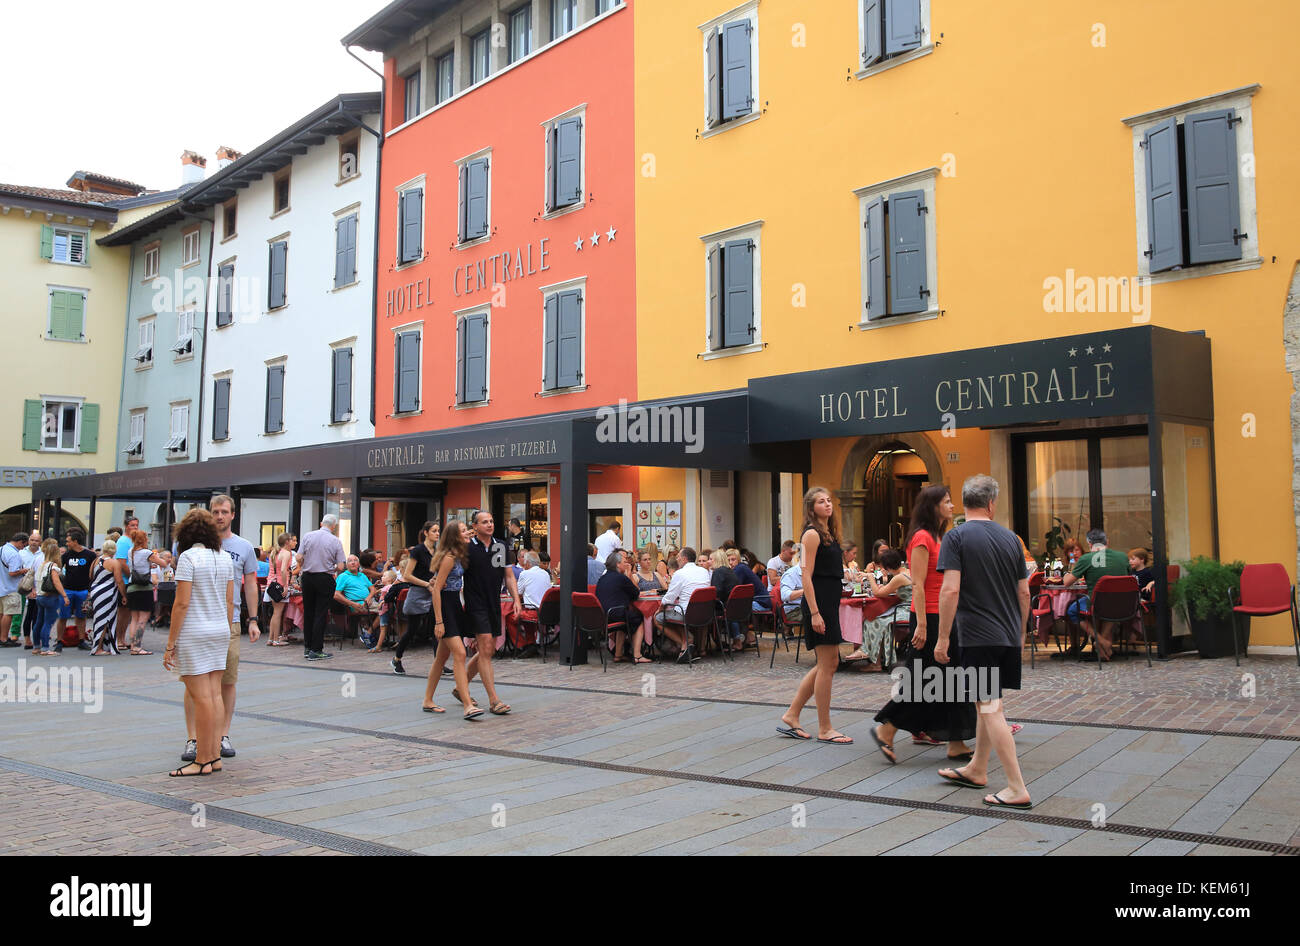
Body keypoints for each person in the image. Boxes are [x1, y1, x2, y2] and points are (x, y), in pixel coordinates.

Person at [934, 475, 1033, 810]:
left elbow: (949, 590)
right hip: (1006, 635)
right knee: (986, 703)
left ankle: (1016, 786)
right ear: (992, 504)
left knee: (991, 708)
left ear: (965, 503)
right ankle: (977, 768)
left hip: (977, 637)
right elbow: (1024, 592)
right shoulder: (1011, 539)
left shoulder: (956, 537)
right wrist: (1020, 633)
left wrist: (943, 637)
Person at [872, 485, 976, 764]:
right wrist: (920, 626)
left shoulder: (943, 536)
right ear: (932, 507)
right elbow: (917, 583)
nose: (952, 506)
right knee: (926, 679)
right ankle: (888, 729)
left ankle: (955, 741)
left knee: (947, 677)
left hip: (945, 613)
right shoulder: (922, 537)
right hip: (928, 616)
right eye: (947, 501)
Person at [177, 494, 260, 764]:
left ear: (233, 514)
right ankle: (194, 738)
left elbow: (249, 584)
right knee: (195, 684)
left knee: (226, 680)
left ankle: (221, 735)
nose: (220, 516)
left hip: (230, 623)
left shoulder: (243, 547)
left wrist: (253, 619)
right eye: (215, 511)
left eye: (225, 511)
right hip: (198, 623)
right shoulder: (193, 549)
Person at [164, 508, 236, 777]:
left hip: (195, 630)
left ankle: (202, 759)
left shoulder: (188, 558)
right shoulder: (224, 557)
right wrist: (226, 630)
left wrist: (171, 643)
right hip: (219, 628)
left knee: (201, 697)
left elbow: (181, 603)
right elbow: (230, 601)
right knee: (215, 695)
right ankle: (214, 755)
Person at [777, 487, 851, 745]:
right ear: (812, 507)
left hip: (828, 601)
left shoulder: (828, 534)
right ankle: (825, 727)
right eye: (821, 501)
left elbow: (827, 569)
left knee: (826, 664)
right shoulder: (811, 534)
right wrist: (816, 612)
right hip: (819, 603)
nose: (828, 504)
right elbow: (806, 574)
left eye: (829, 500)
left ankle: (792, 714)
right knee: (828, 664)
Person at [461, 511, 520, 715]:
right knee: (485, 645)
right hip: (475, 602)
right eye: (484, 522)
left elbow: (508, 576)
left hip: (494, 601)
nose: (489, 524)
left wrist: (516, 598)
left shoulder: (500, 546)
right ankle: (494, 700)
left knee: (488, 650)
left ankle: (461, 687)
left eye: (491, 521)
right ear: (474, 526)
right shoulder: (467, 546)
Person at [422, 520, 482, 719]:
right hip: (445, 606)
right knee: (459, 653)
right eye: (463, 531)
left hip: (454, 604)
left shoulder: (458, 555)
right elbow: (437, 590)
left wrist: (473, 534)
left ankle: (427, 700)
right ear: (455, 536)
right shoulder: (448, 558)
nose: (468, 533)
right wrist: (439, 621)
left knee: (441, 658)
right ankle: (467, 704)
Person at [1061, 528, 1131, 660]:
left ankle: (1100, 640)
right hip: (1123, 604)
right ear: (1107, 542)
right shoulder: (1123, 556)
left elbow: (1067, 582)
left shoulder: (1086, 559)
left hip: (1097, 604)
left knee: (1072, 610)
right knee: (1111, 607)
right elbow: (1128, 577)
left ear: (1089, 543)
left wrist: (1067, 573)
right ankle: (1104, 649)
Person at [845, 548, 912, 668]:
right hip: (908, 608)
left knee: (874, 619)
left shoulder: (899, 577)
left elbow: (877, 593)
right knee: (876, 618)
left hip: (906, 610)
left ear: (887, 567)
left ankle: (872, 658)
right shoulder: (907, 572)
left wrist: (871, 578)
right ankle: (876, 660)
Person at [392, 522, 439, 675]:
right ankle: (397, 658)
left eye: (438, 531)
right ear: (426, 533)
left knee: (436, 629)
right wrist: (427, 584)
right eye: (434, 531)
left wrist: (434, 581)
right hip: (418, 593)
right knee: (412, 630)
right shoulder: (418, 551)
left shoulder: (437, 551)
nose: (437, 534)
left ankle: (438, 664)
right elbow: (407, 575)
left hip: (432, 593)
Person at [298, 514, 345, 660]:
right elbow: (342, 566)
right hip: (324, 577)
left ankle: (307, 647)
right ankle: (316, 649)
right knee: (321, 613)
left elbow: (298, 557)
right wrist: (332, 568)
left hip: (307, 577)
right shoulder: (335, 541)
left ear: (321, 523)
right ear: (333, 526)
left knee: (309, 612)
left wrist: (305, 563)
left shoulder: (308, 536)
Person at [655, 547, 710, 663]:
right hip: (705, 614)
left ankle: (684, 643)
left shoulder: (680, 573)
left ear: (684, 559)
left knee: (658, 618)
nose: (677, 559)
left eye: (678, 556)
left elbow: (669, 598)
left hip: (687, 614)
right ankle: (687, 644)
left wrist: (659, 609)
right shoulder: (705, 572)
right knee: (676, 613)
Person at [594, 551, 643, 663]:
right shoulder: (621, 578)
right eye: (624, 562)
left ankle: (618, 655)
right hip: (616, 614)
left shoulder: (603, 578)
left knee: (624, 622)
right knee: (639, 618)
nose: (627, 564)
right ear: (617, 564)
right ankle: (638, 655)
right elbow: (636, 594)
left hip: (602, 616)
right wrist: (629, 575)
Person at [123, 530, 163, 654]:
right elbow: (162, 563)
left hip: (132, 586)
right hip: (144, 587)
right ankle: (137, 646)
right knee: (143, 618)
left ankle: (132, 645)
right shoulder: (147, 552)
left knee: (134, 618)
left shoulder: (131, 552)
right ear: (144, 539)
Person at [57, 529, 94, 652]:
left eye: (68, 541)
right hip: (68, 590)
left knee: (81, 616)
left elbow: (93, 573)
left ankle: (81, 640)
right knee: (63, 617)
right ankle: (59, 641)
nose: (66, 544)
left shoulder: (90, 555)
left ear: (75, 541)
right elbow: (57, 571)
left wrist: (90, 590)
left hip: (83, 590)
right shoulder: (66, 555)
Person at [89, 540, 128, 655]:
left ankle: (100, 645)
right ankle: (98, 648)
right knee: (106, 619)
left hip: (95, 590)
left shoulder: (95, 561)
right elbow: (119, 580)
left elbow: (90, 575)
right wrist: (124, 595)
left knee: (98, 618)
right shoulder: (114, 563)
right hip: (108, 591)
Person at [31, 539, 67, 656]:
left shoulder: (41, 564)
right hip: (50, 597)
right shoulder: (53, 565)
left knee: (38, 622)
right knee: (48, 623)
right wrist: (64, 596)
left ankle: (37, 646)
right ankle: (45, 648)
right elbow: (56, 582)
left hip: (40, 596)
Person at [334, 555, 378, 643]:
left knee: (389, 608)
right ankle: (368, 634)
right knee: (386, 610)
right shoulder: (343, 576)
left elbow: (373, 589)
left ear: (358, 564)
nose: (353, 562)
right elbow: (336, 595)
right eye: (350, 561)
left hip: (369, 602)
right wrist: (351, 604)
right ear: (347, 565)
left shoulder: (362, 575)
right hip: (356, 605)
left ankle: (372, 634)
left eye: (355, 560)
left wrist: (369, 598)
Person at [266, 532, 296, 646]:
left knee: (275, 612)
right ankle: (275, 640)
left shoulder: (274, 552)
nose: (295, 542)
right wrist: (285, 585)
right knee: (278, 613)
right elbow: (283, 570)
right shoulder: (286, 553)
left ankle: (271, 638)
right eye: (293, 540)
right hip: (279, 584)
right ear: (287, 542)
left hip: (271, 583)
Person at [709, 548, 741, 650]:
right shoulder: (729, 571)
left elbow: (716, 592)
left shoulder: (718, 572)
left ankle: (713, 642)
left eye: (711, 559)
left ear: (717, 560)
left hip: (724, 608)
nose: (709, 562)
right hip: (735, 607)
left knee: (703, 612)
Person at [0, 532, 28, 646]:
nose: (23, 548)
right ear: (21, 542)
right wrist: (24, 570)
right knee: (9, 614)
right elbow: (12, 572)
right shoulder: (14, 554)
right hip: (11, 588)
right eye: (24, 545)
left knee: (1, 613)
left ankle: (1, 637)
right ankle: (4, 638)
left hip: (1, 586)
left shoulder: (2, 549)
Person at [19, 530, 41, 649]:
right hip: (25, 587)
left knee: (37, 616)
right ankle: (27, 640)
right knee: (28, 615)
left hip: (40, 588)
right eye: (32, 540)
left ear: (40, 542)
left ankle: (36, 639)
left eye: (36, 540)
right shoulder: (21, 553)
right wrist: (30, 588)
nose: (34, 542)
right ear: (28, 541)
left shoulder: (42, 554)